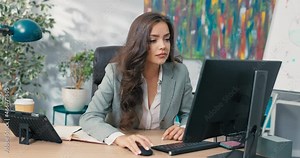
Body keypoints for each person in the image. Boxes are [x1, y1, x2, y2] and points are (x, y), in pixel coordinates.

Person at [79, 12, 193, 155]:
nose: (163, 46)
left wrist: (184, 127)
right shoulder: (115, 73)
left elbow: (190, 113)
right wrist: (119, 138)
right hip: (122, 150)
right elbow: (90, 117)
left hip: (164, 149)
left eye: (167, 39)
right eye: (153, 40)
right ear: (138, 43)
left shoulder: (180, 72)